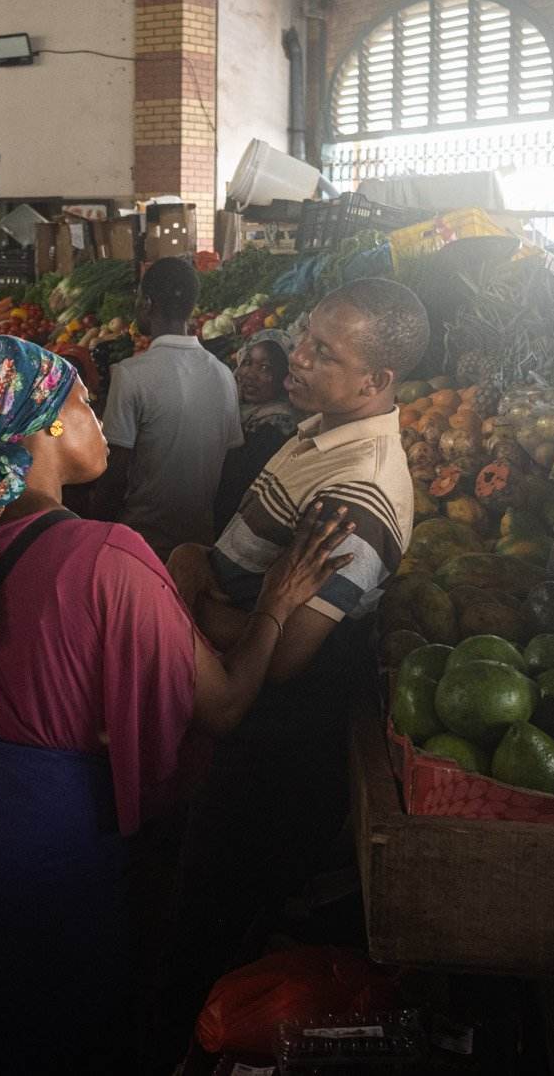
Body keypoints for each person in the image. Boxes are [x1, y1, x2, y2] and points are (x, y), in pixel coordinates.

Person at [0, 337, 356, 1076]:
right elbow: (220, 707)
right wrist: (278, 606)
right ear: (48, 426)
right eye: (86, 404)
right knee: (56, 1036)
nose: (99, 419)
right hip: (44, 840)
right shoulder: (110, 559)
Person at [162, 277, 429, 1033]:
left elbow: (280, 657)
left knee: (211, 930)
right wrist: (197, 562)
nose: (298, 357)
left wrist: (187, 577)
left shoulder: (358, 493)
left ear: (377, 381)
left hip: (274, 746)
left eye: (323, 351)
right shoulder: (319, 429)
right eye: (306, 338)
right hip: (243, 720)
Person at [90, 257, 242, 558]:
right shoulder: (223, 374)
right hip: (198, 547)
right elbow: (230, 466)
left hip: (139, 544)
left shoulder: (131, 374)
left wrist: (94, 536)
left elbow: (114, 475)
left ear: (147, 303)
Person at [212, 333, 300, 534]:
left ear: (284, 376)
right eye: (248, 362)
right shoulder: (239, 413)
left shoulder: (276, 428)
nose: (250, 374)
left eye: (265, 368)